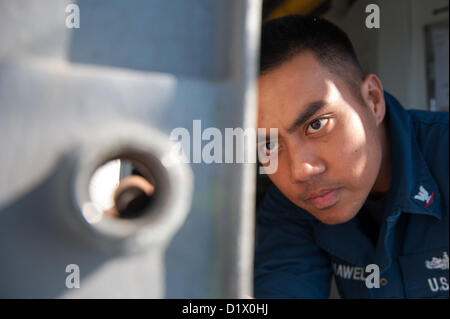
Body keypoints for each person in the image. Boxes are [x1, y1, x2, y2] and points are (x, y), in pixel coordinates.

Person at [254, 15, 449, 298]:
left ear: (373, 100)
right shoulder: (290, 204)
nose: (299, 170)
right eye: (269, 144)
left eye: (317, 125)